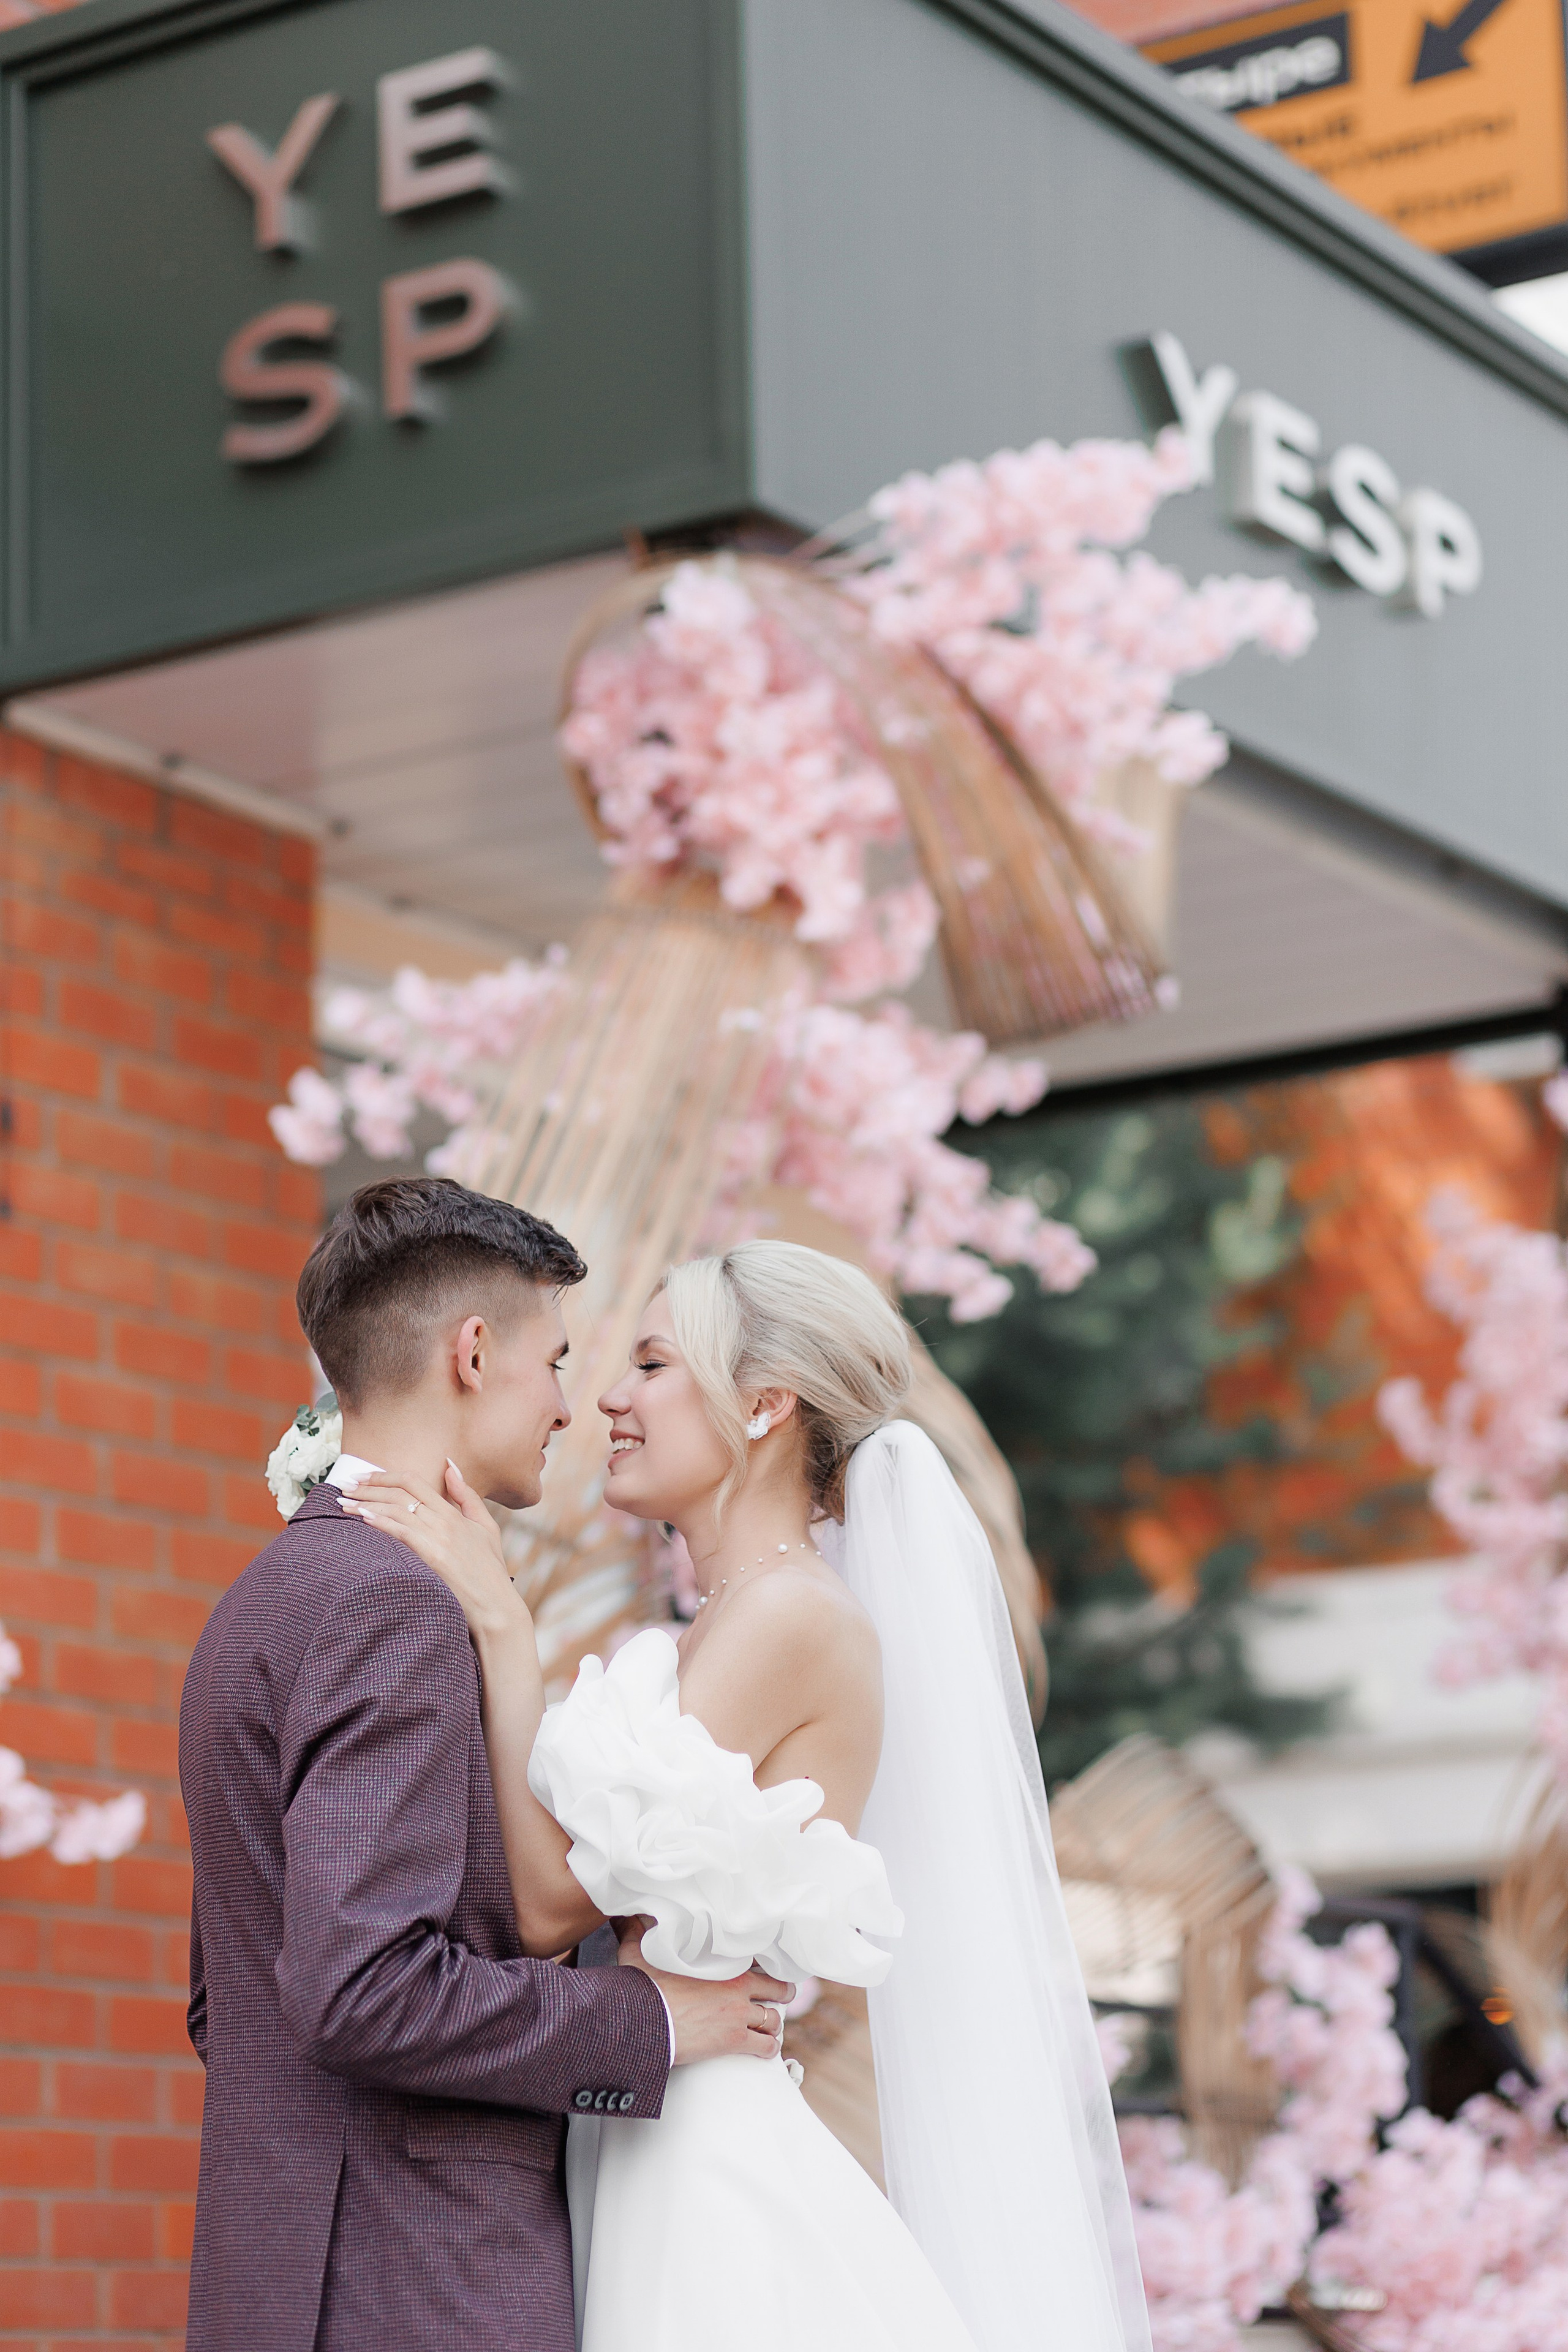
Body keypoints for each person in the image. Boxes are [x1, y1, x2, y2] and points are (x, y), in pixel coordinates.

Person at [344, 1237, 1152, 2352]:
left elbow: (544, 1908)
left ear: (765, 1402)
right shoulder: (726, 1623)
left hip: (703, 2163)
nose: (608, 1401)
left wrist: (499, 1621)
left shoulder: (791, 1620)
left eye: (653, 1365)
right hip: (645, 2131)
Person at [178, 1178, 793, 2352]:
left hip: (282, 2276)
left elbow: (232, 2002)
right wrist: (652, 2020)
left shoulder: (256, 1604)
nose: (570, 1404)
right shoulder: (393, 1606)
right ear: (472, 1353)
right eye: (553, 1359)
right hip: (417, 2287)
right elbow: (363, 1991)